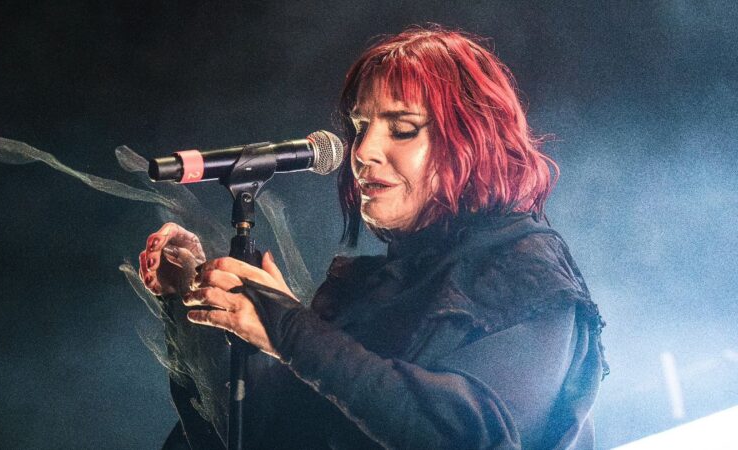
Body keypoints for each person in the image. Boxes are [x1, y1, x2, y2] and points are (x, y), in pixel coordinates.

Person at [139, 25, 607, 450]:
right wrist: (191, 306)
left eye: (402, 129)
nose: (362, 152)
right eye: (360, 127)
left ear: (473, 139)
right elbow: (262, 435)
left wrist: (288, 330)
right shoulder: (368, 292)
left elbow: (465, 437)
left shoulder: (526, 267)